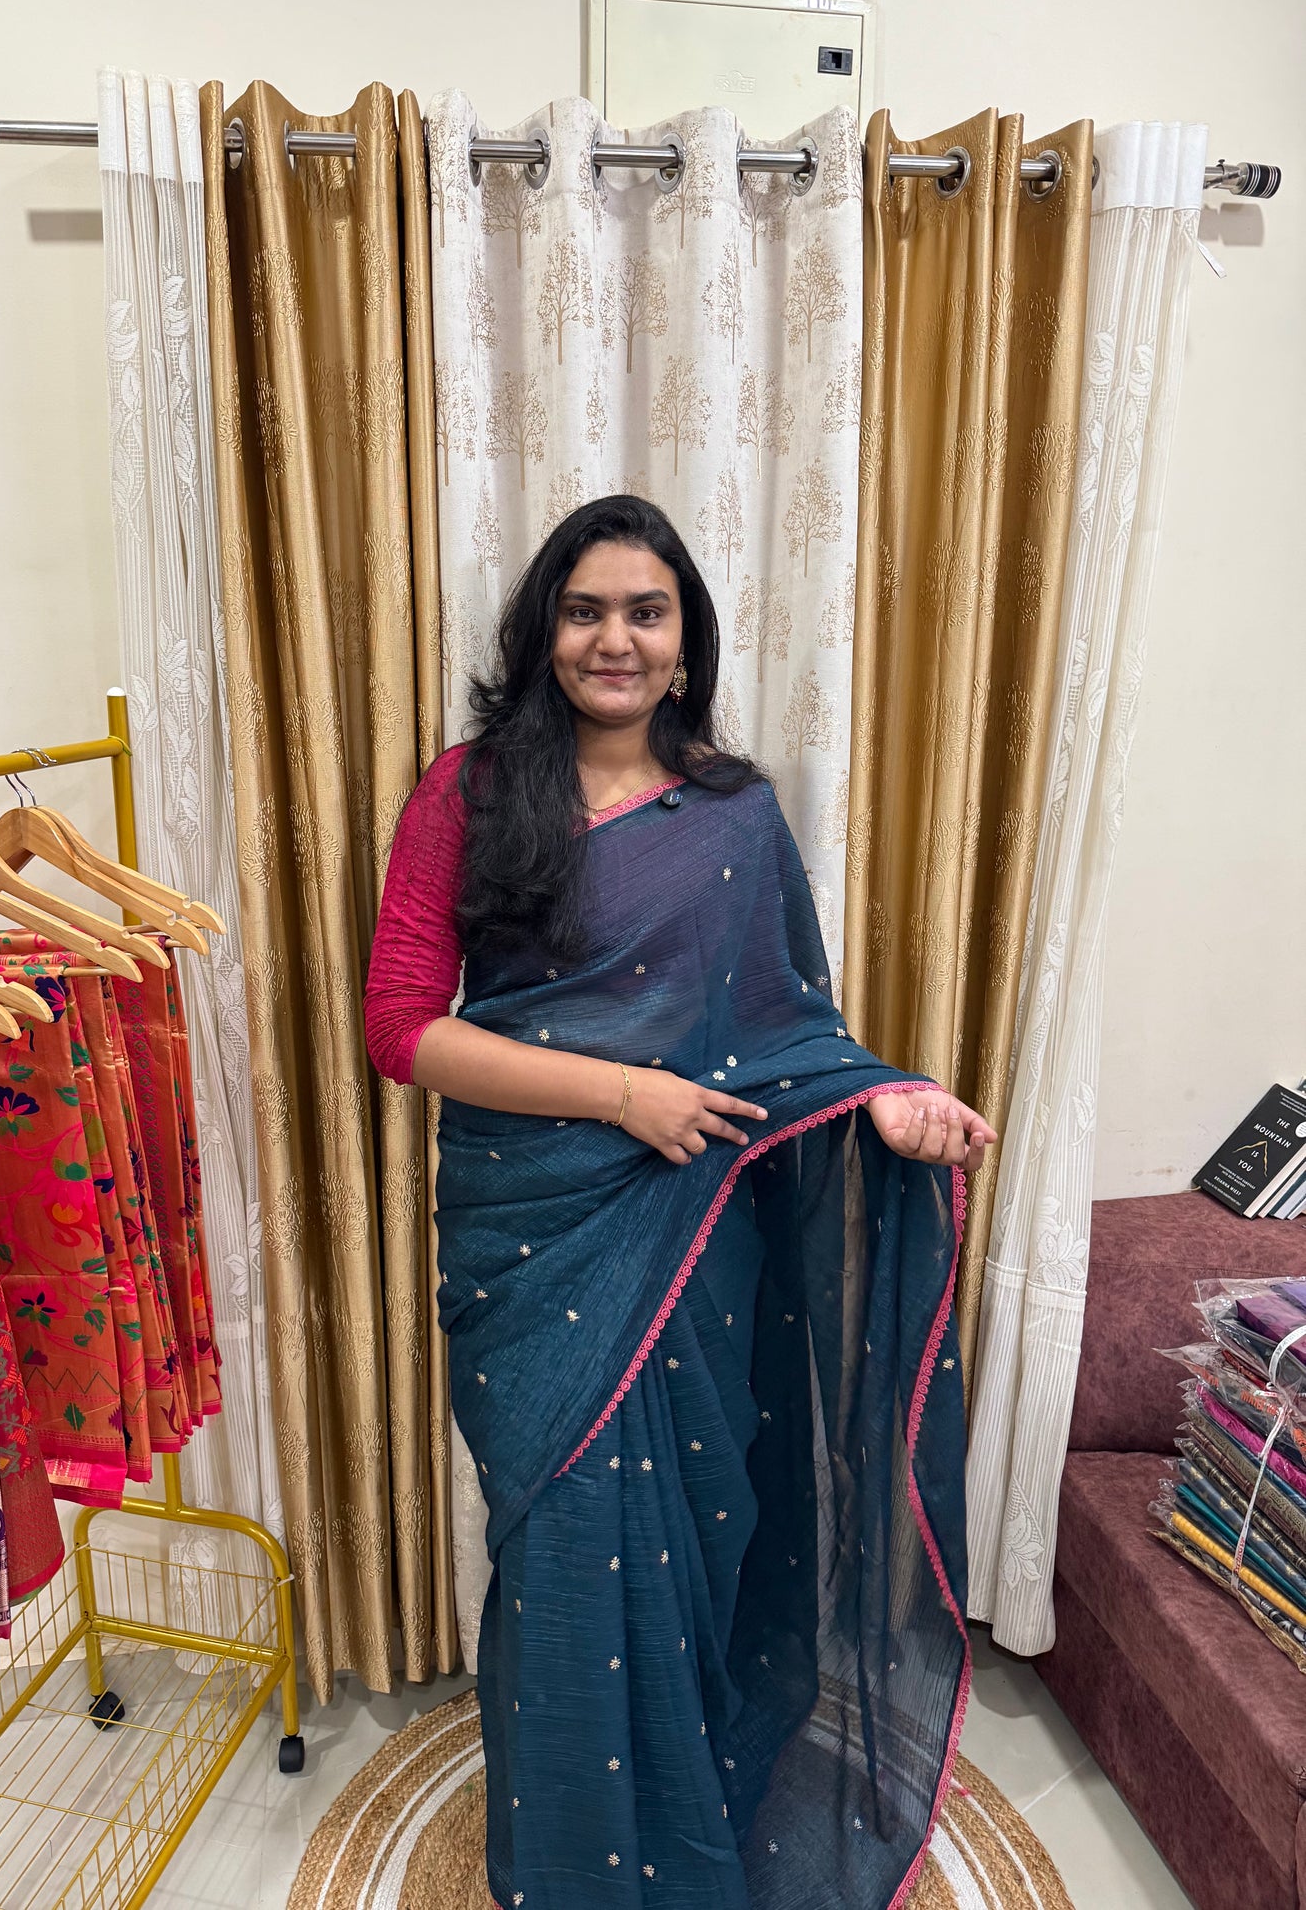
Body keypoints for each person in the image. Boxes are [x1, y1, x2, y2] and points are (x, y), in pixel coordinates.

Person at [364, 495, 994, 1910]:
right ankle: (577, 1863)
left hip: (697, 1236)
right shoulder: (464, 793)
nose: (613, 639)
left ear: (684, 640)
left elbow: (784, 1034)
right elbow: (401, 1030)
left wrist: (883, 1100)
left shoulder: (731, 811)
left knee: (703, 1520)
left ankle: (686, 1809)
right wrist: (619, 1094)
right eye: (585, 610)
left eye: (645, 613)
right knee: (566, 1539)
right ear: (543, 629)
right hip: (533, 1235)